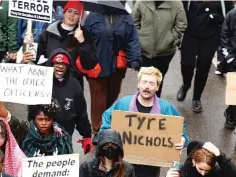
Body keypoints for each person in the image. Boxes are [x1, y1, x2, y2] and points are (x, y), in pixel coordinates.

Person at [99, 67, 189, 177]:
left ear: (157, 87)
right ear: (138, 84)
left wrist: (182, 140)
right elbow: (106, 121)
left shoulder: (166, 109)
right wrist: (107, 136)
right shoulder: (123, 103)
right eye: (144, 82)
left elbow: (180, 129)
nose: (147, 87)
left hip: (150, 166)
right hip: (123, 161)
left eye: (152, 84)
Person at [84, 7, 141, 135]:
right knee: (98, 99)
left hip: (116, 67)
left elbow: (132, 40)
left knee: (112, 96)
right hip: (96, 65)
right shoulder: (92, 17)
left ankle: (106, 123)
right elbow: (84, 41)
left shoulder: (126, 17)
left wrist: (135, 59)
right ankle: (97, 131)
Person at [34, 0, 101, 89]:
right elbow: (38, 59)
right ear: (64, 12)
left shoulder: (85, 35)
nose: (72, 15)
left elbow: (89, 64)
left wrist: (82, 42)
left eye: (76, 13)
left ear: (80, 17)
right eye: (69, 11)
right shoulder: (48, 33)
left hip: (73, 85)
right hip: (49, 83)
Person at [177, 1, 228, 112]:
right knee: (187, 64)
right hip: (190, 34)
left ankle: (196, 98)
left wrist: (217, 18)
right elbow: (180, 12)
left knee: (204, 66)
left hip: (211, 36)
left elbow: (227, 17)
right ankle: (186, 85)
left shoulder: (223, 1)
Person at [132, 0, 187, 98]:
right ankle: (141, 107)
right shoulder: (141, 2)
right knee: (144, 80)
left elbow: (181, 24)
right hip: (144, 51)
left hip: (165, 52)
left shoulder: (176, 3)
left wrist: (170, 40)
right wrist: (140, 39)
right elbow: (134, 23)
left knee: (157, 81)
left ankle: (154, 108)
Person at [47, 49, 92, 152]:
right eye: (57, 63)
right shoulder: (42, 81)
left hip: (66, 134)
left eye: (63, 64)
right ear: (51, 64)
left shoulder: (74, 84)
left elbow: (81, 112)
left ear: (68, 67)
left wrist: (87, 135)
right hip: (43, 133)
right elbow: (33, 108)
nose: (60, 66)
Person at [220, 5, 236, 129]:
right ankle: (231, 113)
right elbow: (225, 36)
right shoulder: (232, 15)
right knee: (234, 90)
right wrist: (230, 57)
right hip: (234, 59)